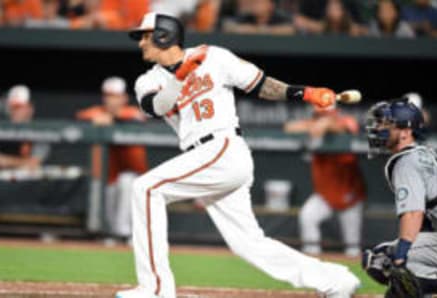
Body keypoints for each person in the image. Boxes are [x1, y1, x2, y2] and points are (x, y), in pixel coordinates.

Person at [116, 12, 360, 298]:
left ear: (163, 35)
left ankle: (155, 289)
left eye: (145, 36)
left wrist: (304, 94)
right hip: (204, 157)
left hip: (222, 147)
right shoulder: (148, 80)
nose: (140, 44)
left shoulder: (214, 57)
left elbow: (260, 84)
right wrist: (180, 78)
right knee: (248, 243)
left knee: (145, 188)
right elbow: (157, 106)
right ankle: (336, 280)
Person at [363, 100, 437, 296]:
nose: (379, 129)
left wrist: (400, 258)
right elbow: (427, 219)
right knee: (395, 256)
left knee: (383, 257)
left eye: (386, 124)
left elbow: (413, 214)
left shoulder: (405, 162)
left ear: (405, 132)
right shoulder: (425, 152)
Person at [284, 104, 366, 257]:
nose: (322, 119)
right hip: (325, 194)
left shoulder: (346, 122)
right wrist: (316, 125)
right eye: (319, 115)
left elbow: (347, 128)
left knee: (352, 247)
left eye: (325, 115)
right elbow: (289, 127)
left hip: (350, 194)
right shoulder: (313, 126)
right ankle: (313, 257)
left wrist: (327, 123)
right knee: (307, 216)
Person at [76, 76, 148, 241]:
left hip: (136, 175)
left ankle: (125, 233)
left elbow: (137, 119)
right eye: (108, 96)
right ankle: (111, 233)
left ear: (124, 98)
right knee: (108, 189)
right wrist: (96, 119)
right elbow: (79, 117)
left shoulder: (132, 112)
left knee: (126, 181)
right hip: (109, 176)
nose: (111, 100)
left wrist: (112, 120)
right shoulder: (98, 112)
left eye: (115, 96)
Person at [0, 85, 49, 170]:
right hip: (1, 178)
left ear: (29, 108)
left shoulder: (39, 130)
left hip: (32, 181)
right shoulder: (0, 128)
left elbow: (34, 163)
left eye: (18, 107)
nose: (14, 111)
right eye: (11, 107)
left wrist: (5, 160)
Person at [222, 0, 295, 35]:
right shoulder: (247, 16)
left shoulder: (279, 16)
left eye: (260, 2)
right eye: (254, 2)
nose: (255, 5)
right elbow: (227, 25)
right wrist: (242, 28)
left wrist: (259, 30)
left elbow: (291, 29)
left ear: (270, 5)